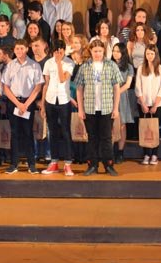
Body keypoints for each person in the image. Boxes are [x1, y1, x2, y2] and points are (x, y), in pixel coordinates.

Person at [76, 40, 123, 176]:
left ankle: (108, 165)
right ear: (90, 51)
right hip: (90, 108)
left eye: (100, 51)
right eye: (95, 51)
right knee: (92, 138)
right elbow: (79, 89)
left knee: (106, 138)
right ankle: (92, 165)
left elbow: (117, 88)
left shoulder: (111, 65)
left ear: (104, 51)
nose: (97, 53)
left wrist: (115, 108)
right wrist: (80, 109)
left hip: (106, 108)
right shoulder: (84, 66)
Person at [2, 39, 44, 174]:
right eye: (17, 49)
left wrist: (26, 104)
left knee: (28, 133)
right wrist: (18, 104)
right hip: (14, 102)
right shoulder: (10, 65)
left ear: (26, 49)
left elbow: (38, 87)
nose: (19, 51)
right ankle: (14, 164)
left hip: (28, 103)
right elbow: (5, 87)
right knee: (14, 133)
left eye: (22, 48)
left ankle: (32, 164)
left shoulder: (34, 65)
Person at [41, 39, 76, 176]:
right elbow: (46, 84)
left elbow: (62, 79)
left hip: (64, 100)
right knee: (52, 131)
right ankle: (54, 162)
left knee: (66, 132)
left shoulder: (69, 63)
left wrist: (59, 63)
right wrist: (43, 105)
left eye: (61, 50)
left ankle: (68, 163)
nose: (58, 53)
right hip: (50, 99)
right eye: (56, 50)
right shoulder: (48, 63)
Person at [135, 46, 161, 165]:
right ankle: (146, 154)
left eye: (152, 54)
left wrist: (155, 105)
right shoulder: (141, 68)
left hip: (156, 104)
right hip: (143, 103)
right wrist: (143, 104)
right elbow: (138, 87)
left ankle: (154, 154)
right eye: (147, 54)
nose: (150, 56)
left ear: (155, 55)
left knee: (154, 129)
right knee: (144, 129)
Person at [111, 42, 134, 163]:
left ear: (123, 53)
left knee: (122, 125)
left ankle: (120, 152)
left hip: (122, 96)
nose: (115, 53)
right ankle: (110, 152)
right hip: (108, 97)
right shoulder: (108, 64)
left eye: (118, 51)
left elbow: (128, 84)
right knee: (110, 125)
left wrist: (116, 92)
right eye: (114, 51)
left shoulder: (129, 67)